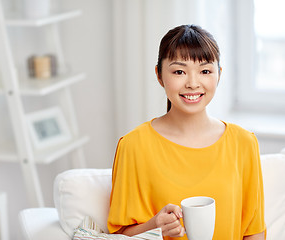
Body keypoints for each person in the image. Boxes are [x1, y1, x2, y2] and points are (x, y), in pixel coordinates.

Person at [107, 24, 266, 240]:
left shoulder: (244, 143)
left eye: (205, 71)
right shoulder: (133, 146)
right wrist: (155, 227)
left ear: (218, 75)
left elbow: (253, 232)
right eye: (179, 71)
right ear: (159, 75)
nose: (192, 83)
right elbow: (119, 235)